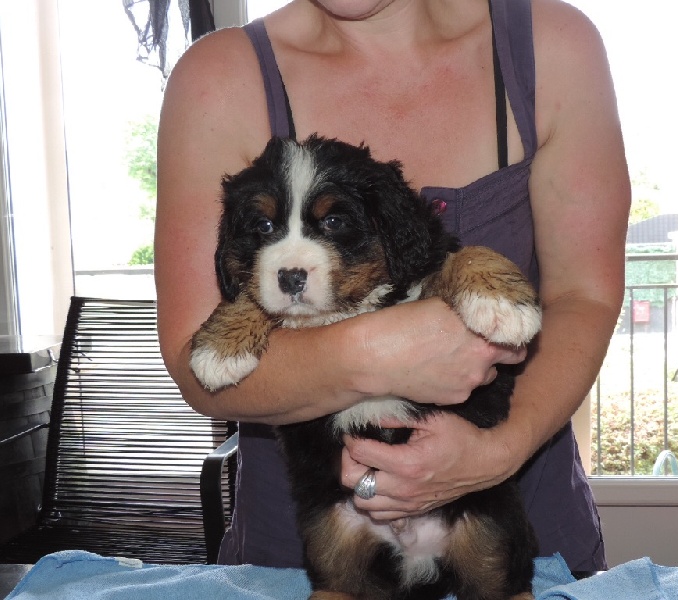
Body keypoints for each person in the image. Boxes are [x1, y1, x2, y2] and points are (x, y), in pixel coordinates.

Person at [155, 0, 630, 573]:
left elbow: (584, 296)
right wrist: (377, 353)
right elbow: (198, 363)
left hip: (521, 533)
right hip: (311, 554)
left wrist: (497, 453)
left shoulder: (552, 46)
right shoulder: (218, 77)